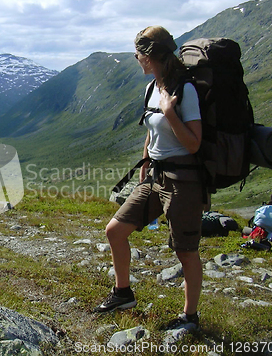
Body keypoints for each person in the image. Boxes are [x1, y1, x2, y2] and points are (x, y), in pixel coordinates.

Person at [94, 26, 204, 330]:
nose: (136, 58)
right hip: (155, 175)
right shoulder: (152, 87)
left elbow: (194, 143)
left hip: (183, 179)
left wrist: (171, 113)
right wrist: (145, 165)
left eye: (139, 53)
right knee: (115, 231)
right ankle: (123, 293)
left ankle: (189, 317)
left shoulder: (185, 90)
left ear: (151, 55)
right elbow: (150, 129)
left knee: (185, 250)